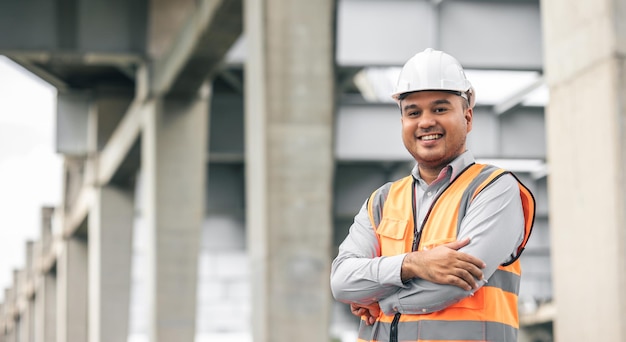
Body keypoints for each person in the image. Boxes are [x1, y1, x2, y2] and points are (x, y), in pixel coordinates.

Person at [330, 48, 535, 342]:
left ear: (468, 117)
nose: (425, 122)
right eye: (413, 112)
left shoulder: (493, 188)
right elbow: (341, 282)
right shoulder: (381, 201)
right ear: (402, 121)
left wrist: (378, 300)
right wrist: (413, 264)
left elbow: (453, 286)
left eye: (440, 109)